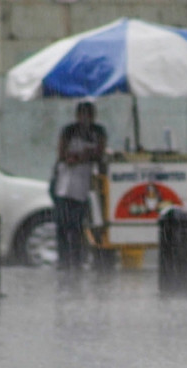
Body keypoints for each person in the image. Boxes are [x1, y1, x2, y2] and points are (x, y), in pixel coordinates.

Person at [53, 101, 107, 270]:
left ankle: (77, 258)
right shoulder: (69, 130)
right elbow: (63, 154)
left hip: (84, 184)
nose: (85, 119)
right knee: (63, 224)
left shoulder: (97, 131)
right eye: (82, 115)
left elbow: (99, 152)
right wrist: (76, 157)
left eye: (88, 115)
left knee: (78, 224)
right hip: (64, 184)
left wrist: (81, 157)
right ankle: (64, 259)